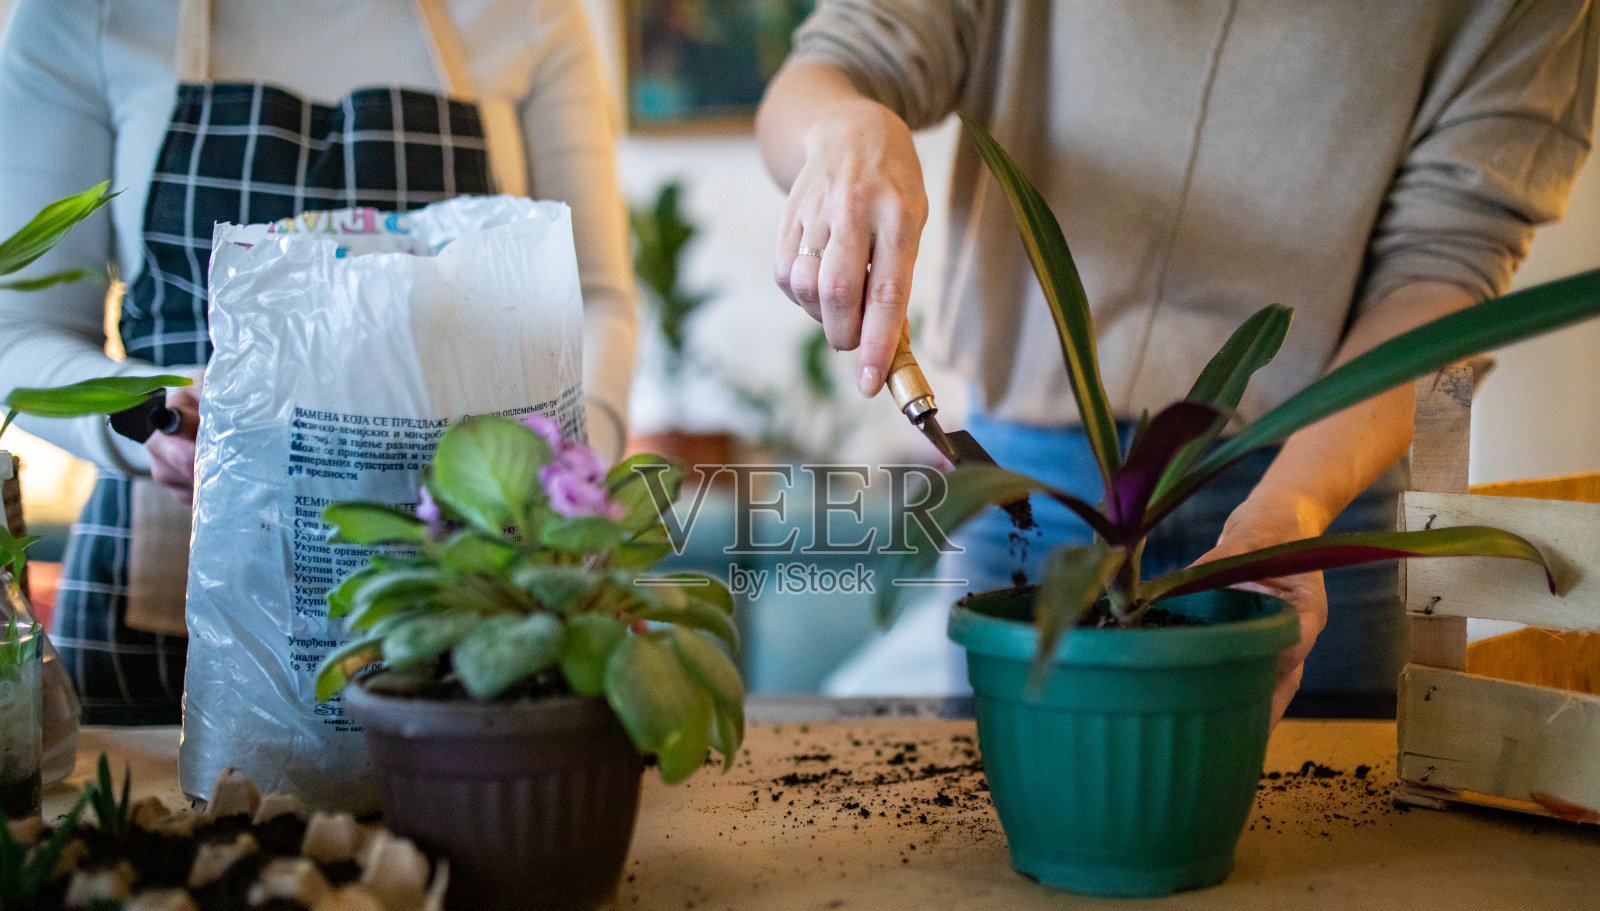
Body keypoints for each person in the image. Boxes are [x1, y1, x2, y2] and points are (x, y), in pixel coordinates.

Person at [757, 1, 1597, 722]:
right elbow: (829, 68)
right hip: (1030, 478)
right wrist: (843, 128)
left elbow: (1446, 264)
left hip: (1307, 495)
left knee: (1329, 878)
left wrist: (1290, 510)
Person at [0, 0, 637, 724]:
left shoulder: (528, 13)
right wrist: (151, 417)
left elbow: (595, 297)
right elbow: (19, 327)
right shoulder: (87, 12)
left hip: (471, 595)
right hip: (164, 603)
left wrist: (573, 486)